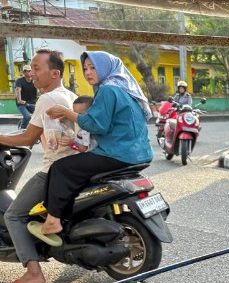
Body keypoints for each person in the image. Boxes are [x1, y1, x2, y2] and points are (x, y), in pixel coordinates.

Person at [39, 51, 153, 240]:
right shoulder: (124, 87)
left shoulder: (108, 89)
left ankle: (53, 220)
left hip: (117, 154)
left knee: (61, 168)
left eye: (93, 67)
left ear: (106, 68)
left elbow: (96, 125)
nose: (88, 73)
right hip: (139, 154)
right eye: (85, 68)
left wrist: (67, 113)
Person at [1, 49, 77, 283]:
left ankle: (33, 273)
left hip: (55, 169)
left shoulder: (47, 99)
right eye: (31, 68)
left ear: (54, 73)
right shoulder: (69, 95)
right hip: (73, 166)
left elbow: (27, 137)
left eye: (36, 68)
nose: (31, 74)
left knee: (13, 215)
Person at [15, 64, 38, 129]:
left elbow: (41, 88)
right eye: (27, 71)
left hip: (32, 103)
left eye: (30, 70)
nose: (29, 72)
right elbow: (18, 90)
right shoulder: (19, 81)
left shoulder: (34, 80)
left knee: (41, 115)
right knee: (27, 116)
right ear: (24, 72)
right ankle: (22, 129)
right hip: (22, 103)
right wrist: (19, 100)